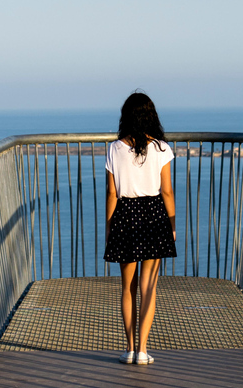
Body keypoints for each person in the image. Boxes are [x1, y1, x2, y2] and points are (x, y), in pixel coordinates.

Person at [103, 92, 177, 365]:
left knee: (127, 288)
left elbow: (112, 194)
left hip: (125, 215)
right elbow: (167, 191)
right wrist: (171, 225)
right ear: (151, 115)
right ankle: (144, 351)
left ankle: (130, 348)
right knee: (149, 287)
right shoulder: (161, 149)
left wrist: (109, 228)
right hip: (155, 214)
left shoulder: (114, 148)